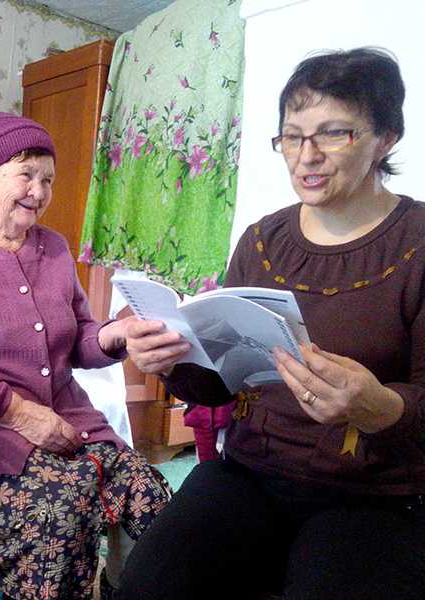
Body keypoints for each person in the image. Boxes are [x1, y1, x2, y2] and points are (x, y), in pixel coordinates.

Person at [117, 48, 425, 599]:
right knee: (148, 583)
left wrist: (381, 407)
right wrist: (169, 360)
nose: (307, 156)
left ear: (385, 138)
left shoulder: (418, 245)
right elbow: (219, 384)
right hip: (251, 471)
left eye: (333, 134)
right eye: (292, 136)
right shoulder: (262, 241)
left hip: (373, 494)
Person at [0, 112, 173, 599]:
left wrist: (117, 333)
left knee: (152, 495)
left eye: (47, 179)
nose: (39, 190)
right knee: (59, 511)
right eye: (25, 174)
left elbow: (80, 337)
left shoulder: (54, 248)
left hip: (70, 421)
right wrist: (20, 414)